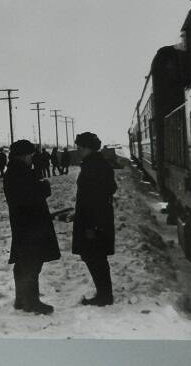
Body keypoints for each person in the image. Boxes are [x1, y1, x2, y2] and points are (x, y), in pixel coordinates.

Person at [3, 139, 60, 315]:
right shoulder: (22, 173)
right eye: (29, 155)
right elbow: (33, 195)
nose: (31, 158)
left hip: (23, 222)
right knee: (32, 263)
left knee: (23, 262)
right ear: (22, 155)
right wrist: (44, 186)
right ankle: (31, 302)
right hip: (31, 223)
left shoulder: (14, 171)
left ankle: (21, 299)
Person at [72, 131, 118, 307]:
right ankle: (104, 293)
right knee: (93, 256)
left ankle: (104, 296)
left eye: (81, 147)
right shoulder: (95, 163)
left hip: (94, 221)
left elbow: (97, 196)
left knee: (94, 256)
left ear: (89, 147)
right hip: (95, 218)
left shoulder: (94, 166)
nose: (78, 150)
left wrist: (92, 225)